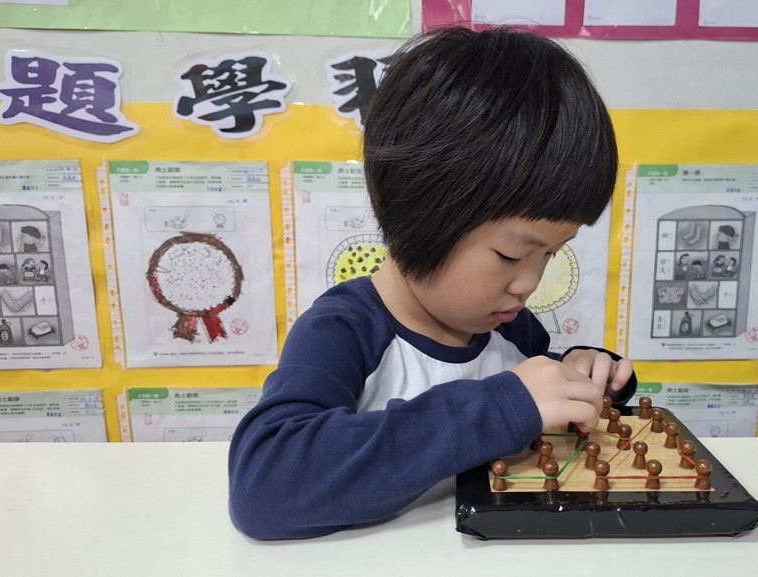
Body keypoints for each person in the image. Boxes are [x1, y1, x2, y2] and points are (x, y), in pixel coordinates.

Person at [228, 26, 636, 540]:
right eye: (510, 255)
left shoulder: (512, 330)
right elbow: (264, 485)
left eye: (551, 254)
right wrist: (502, 407)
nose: (528, 284)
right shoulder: (344, 331)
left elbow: (537, 403)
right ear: (419, 216)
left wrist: (584, 374)